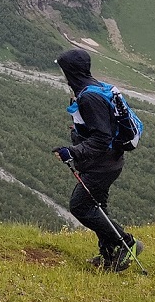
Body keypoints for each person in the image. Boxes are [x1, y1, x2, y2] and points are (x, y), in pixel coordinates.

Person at [52, 48, 142, 272]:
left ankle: (128, 243)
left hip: (101, 166)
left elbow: (102, 138)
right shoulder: (95, 87)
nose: (62, 74)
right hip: (108, 162)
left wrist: (73, 152)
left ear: (70, 71)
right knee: (97, 207)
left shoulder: (89, 97)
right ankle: (108, 255)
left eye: (63, 69)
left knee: (80, 207)